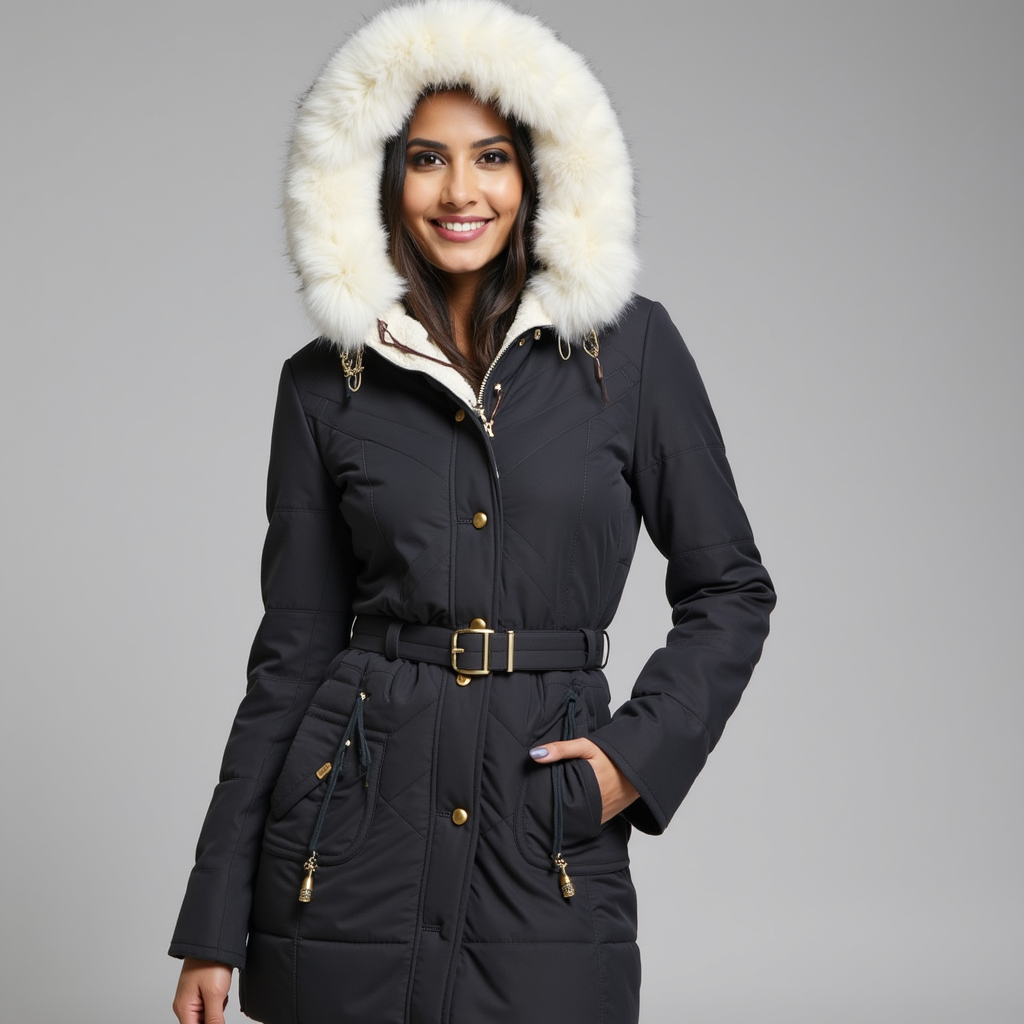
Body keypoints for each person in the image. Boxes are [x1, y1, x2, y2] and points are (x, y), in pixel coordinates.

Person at [170, 2, 775, 1022]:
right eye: (426, 159)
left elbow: (730, 589)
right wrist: (212, 921)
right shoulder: (324, 383)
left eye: (491, 157)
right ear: (377, 179)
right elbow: (292, 651)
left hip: (543, 832)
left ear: (538, 175)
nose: (460, 192)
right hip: (348, 838)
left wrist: (632, 762)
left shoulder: (629, 352)